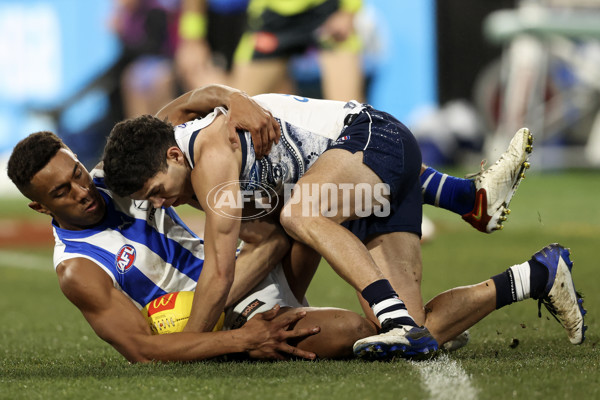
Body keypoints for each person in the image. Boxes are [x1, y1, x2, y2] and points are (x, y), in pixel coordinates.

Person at [102, 90, 586, 360]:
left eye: (156, 190)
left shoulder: (207, 159)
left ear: (171, 155)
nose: (161, 203)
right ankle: (537, 274)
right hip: (363, 179)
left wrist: (192, 341)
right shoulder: (169, 143)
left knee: (299, 213)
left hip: (374, 137)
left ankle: (402, 306)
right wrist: (230, 96)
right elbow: (190, 100)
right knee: (418, 334)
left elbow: (219, 275)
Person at [231, 0, 365, 101]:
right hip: (272, 16)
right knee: (238, 107)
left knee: (351, 112)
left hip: (327, 10)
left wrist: (349, 10)